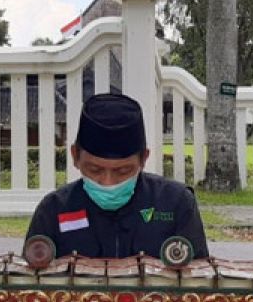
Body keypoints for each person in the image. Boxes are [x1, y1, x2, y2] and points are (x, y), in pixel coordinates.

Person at [25, 93, 208, 260]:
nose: (108, 183)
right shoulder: (54, 210)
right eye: (95, 170)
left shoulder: (176, 203)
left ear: (143, 158)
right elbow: (29, 284)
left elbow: (199, 280)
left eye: (123, 171)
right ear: (75, 156)